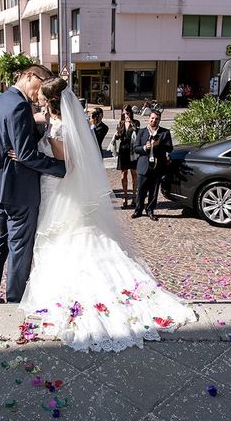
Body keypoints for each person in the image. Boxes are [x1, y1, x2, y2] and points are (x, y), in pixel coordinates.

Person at [18, 77, 196, 352]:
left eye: (41, 97)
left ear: (49, 101)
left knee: (63, 239)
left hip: (58, 190)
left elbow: (64, 165)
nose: (38, 100)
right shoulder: (62, 123)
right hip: (62, 190)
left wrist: (29, 160)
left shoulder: (57, 129)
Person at [0, 65, 67, 304]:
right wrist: (60, 168)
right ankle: (15, 298)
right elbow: (26, 154)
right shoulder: (19, 105)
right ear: (30, 76)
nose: (40, 91)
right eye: (41, 83)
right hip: (18, 189)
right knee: (19, 246)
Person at [131, 110, 172, 222]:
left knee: (153, 191)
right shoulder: (142, 132)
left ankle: (150, 210)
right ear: (148, 119)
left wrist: (159, 144)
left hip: (158, 167)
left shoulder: (165, 133)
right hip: (144, 166)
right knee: (141, 191)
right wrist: (145, 148)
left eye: (156, 119)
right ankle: (138, 210)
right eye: (152, 118)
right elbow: (135, 148)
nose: (154, 120)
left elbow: (170, 148)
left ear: (159, 120)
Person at [110, 105, 140, 209]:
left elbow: (138, 134)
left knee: (134, 174)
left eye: (127, 113)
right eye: (124, 113)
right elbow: (118, 137)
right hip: (123, 150)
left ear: (131, 113)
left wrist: (132, 123)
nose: (126, 115)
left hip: (132, 151)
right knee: (123, 174)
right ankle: (125, 196)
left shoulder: (136, 122)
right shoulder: (121, 123)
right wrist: (118, 131)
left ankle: (134, 197)